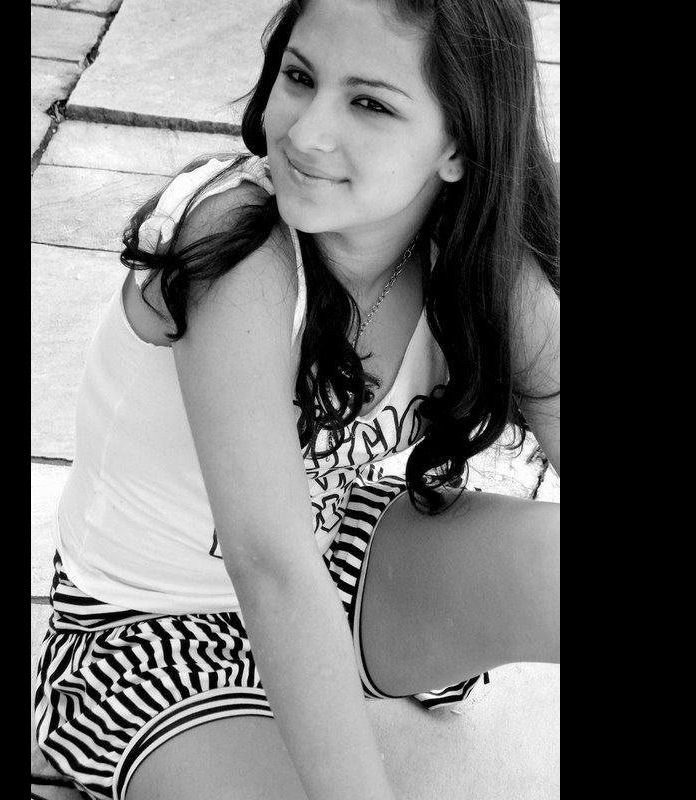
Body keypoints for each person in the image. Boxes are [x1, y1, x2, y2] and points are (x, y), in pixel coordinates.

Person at [34, 0, 560, 798]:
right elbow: (268, 564)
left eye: (370, 103)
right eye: (300, 77)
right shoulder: (236, 244)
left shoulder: (476, 259)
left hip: (341, 563)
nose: (308, 133)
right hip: (143, 630)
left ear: (458, 143)